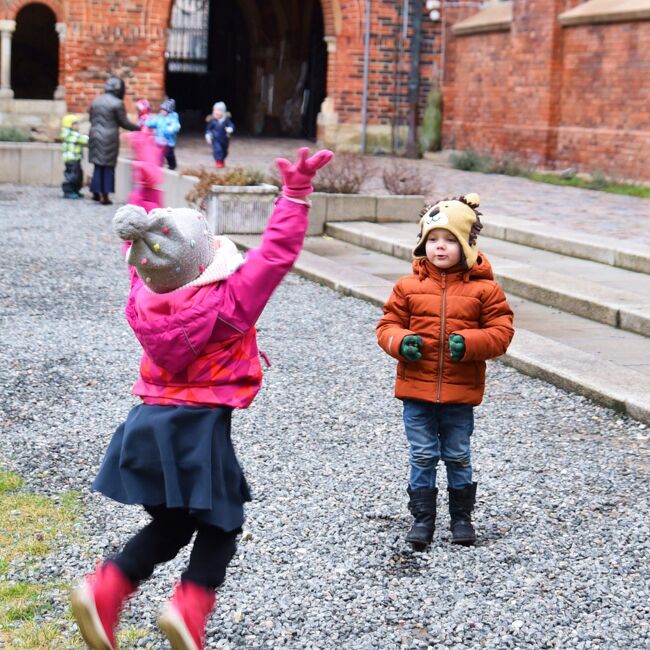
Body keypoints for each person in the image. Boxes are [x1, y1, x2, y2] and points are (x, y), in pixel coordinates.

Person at [70, 147, 333, 650]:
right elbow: (276, 254)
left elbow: (144, 245)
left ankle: (105, 591)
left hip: (144, 425)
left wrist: (147, 190)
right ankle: (188, 610)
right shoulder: (231, 302)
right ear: (203, 258)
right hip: (198, 429)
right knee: (222, 521)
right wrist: (295, 195)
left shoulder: (143, 294)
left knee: (171, 525)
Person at [376, 194, 514, 550]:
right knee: (422, 454)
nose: (440, 247)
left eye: (450, 239)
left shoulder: (485, 290)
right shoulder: (408, 287)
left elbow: (501, 332)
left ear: (467, 244)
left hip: (459, 392)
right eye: (433, 239)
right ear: (423, 243)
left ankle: (461, 518)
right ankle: (423, 519)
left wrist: (470, 343)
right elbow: (387, 325)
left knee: (457, 454)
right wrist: (400, 341)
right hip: (416, 391)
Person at [88, 76, 139, 205]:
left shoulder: (96, 101)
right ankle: (105, 196)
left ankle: (95, 192)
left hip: (94, 134)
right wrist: (138, 127)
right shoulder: (117, 103)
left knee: (98, 165)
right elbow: (124, 122)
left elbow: (91, 118)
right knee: (108, 167)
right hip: (109, 137)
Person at [124, 127, 164, 212]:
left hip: (146, 183)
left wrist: (138, 165)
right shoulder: (151, 147)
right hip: (149, 182)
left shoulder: (145, 149)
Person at [146, 98, 181, 170]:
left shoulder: (172, 118)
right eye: (161, 109)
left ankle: (172, 165)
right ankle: (159, 165)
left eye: (163, 110)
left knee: (169, 155)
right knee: (159, 154)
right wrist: (148, 123)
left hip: (168, 142)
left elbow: (176, 126)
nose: (161, 111)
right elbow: (154, 122)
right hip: (159, 140)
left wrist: (169, 130)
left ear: (168, 111)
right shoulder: (160, 117)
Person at [60, 114, 88, 199]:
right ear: (69, 125)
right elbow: (84, 139)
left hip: (74, 159)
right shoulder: (71, 135)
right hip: (71, 159)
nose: (78, 126)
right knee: (72, 176)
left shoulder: (71, 134)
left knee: (78, 175)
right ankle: (68, 192)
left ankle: (75, 191)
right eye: (75, 124)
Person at [205, 101, 234, 168]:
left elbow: (231, 125)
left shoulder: (226, 120)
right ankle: (218, 161)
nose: (216, 112)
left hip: (224, 139)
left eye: (218, 111)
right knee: (218, 149)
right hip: (215, 138)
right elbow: (209, 129)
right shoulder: (212, 121)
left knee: (224, 151)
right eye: (215, 110)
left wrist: (230, 128)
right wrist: (208, 135)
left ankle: (222, 159)